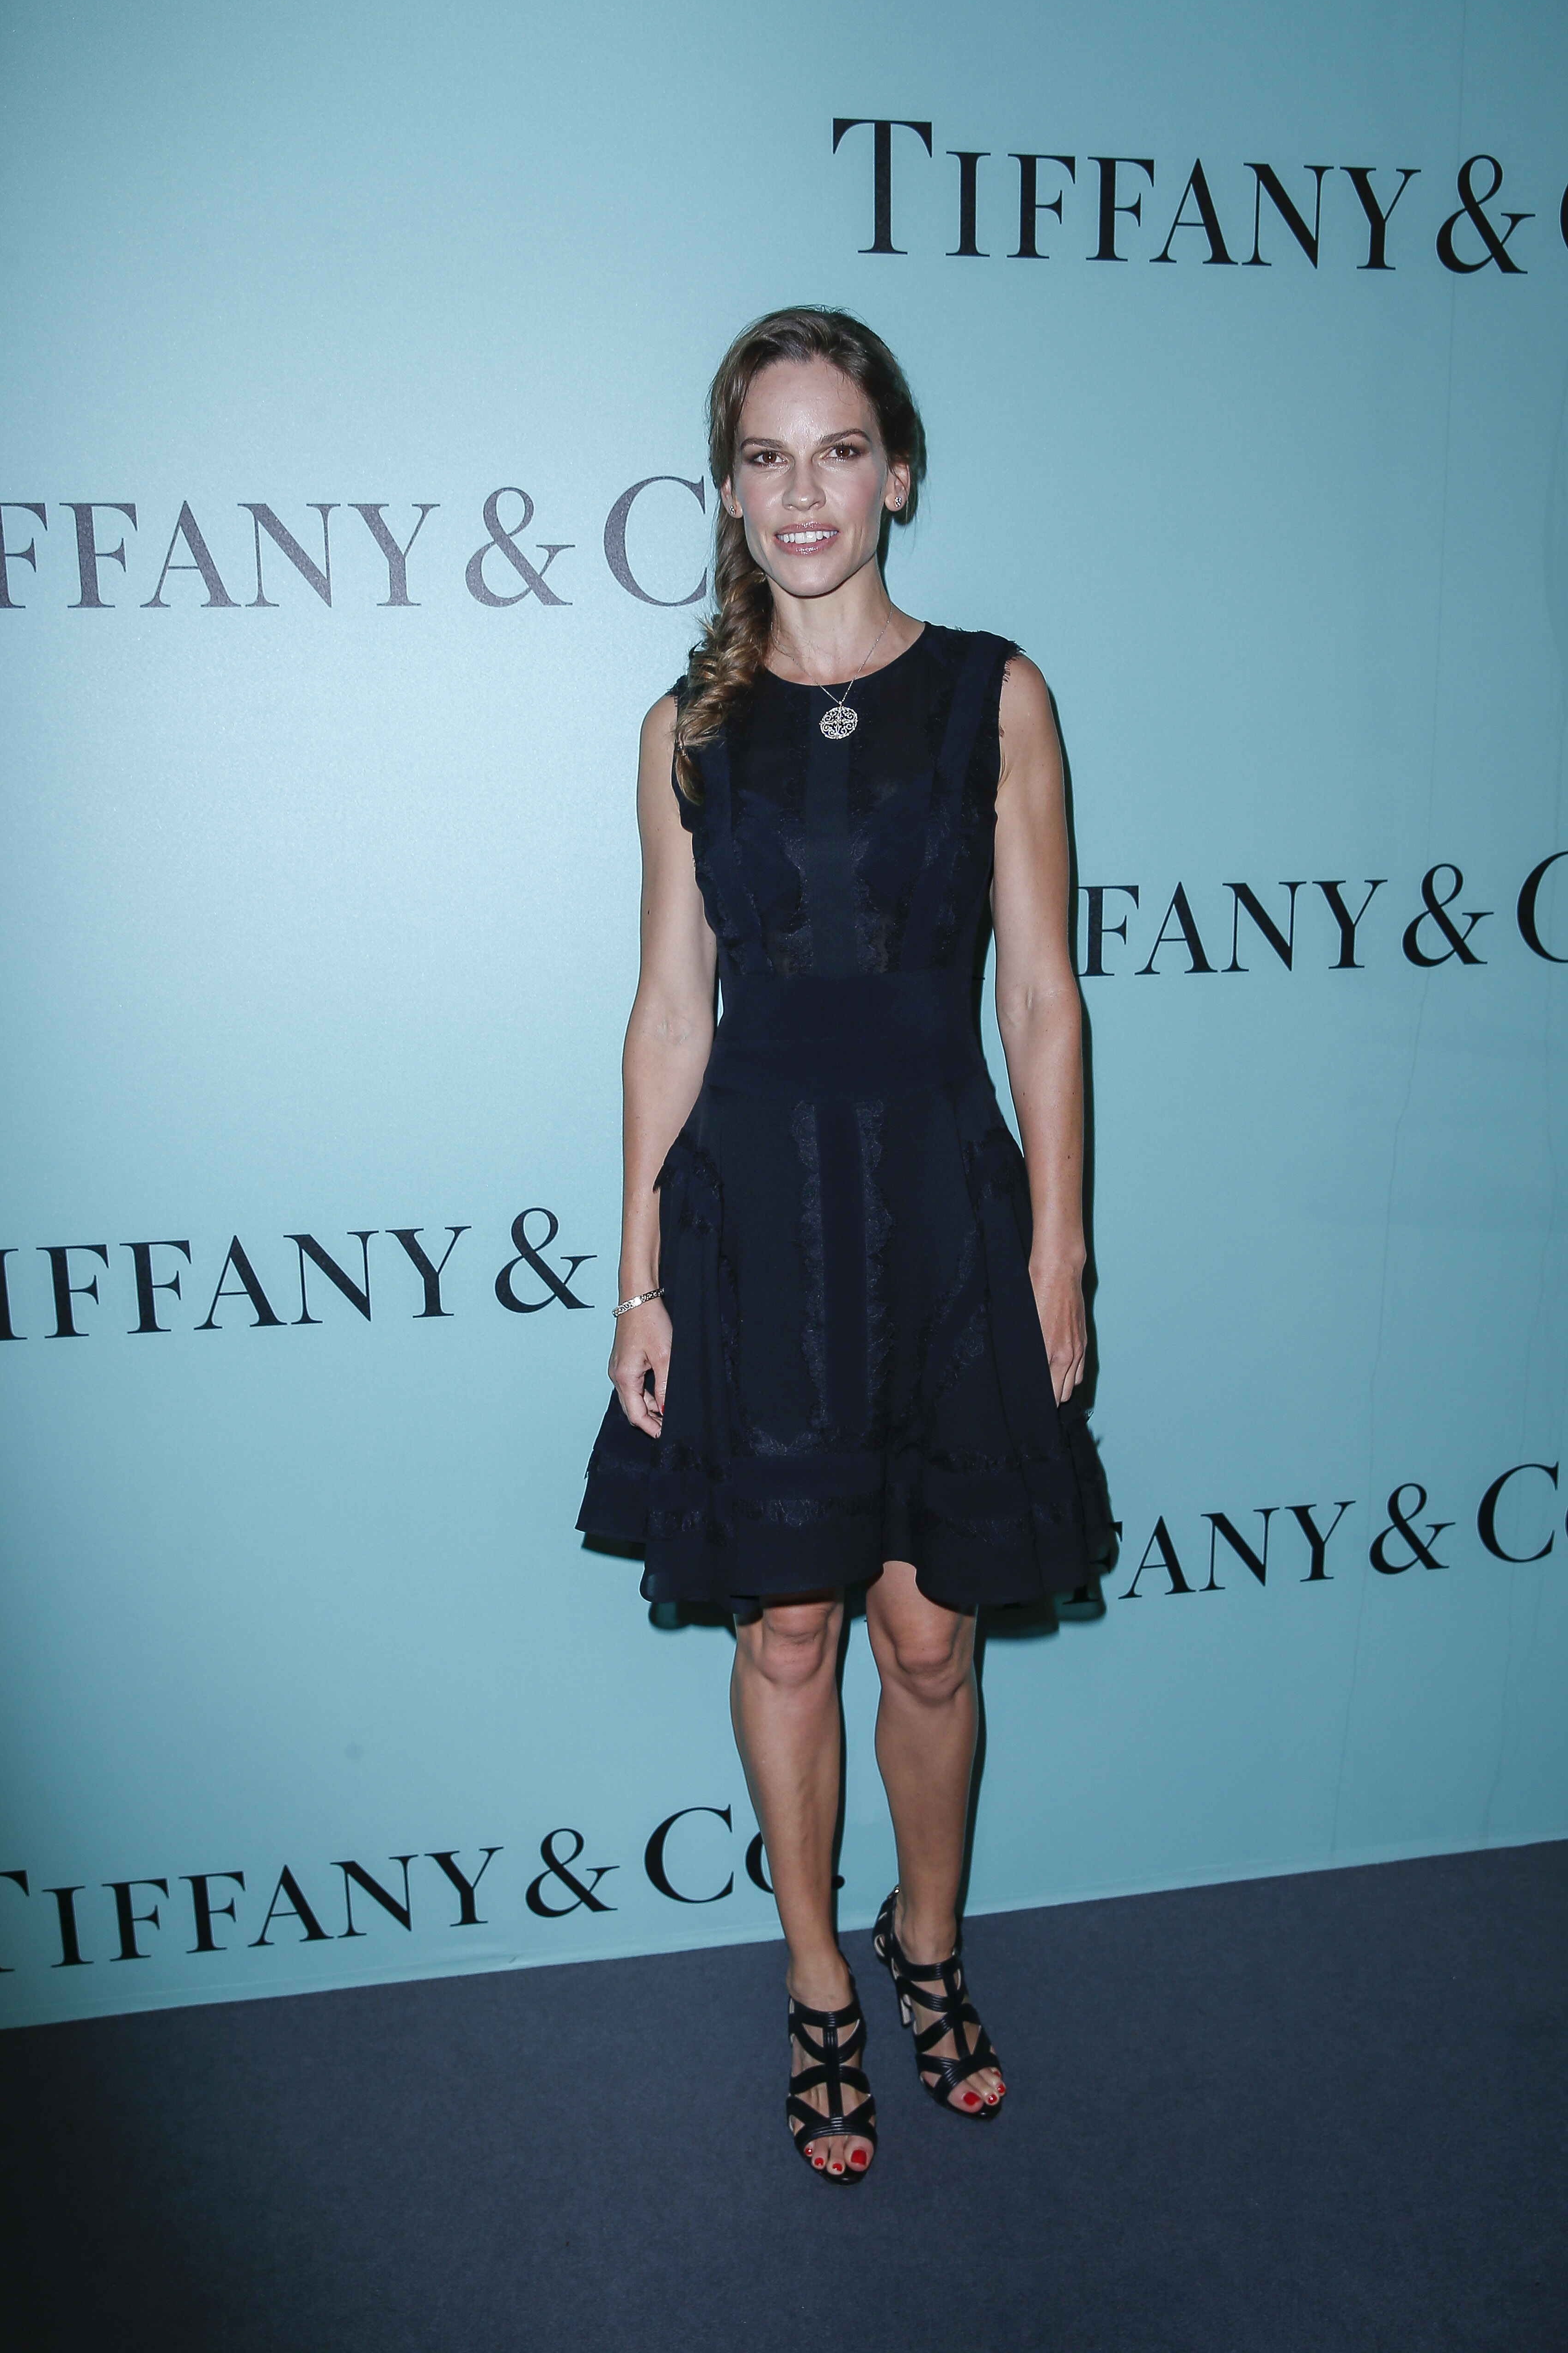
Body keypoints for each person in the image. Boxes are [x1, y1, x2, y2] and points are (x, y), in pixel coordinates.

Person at [578, 307, 1111, 2183]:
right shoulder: (687, 730)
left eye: (839, 449)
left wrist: (1061, 1254)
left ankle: (928, 1945)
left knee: (932, 1636)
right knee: (789, 1625)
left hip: (945, 1216)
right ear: (730, 492)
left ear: (899, 472)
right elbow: (669, 1013)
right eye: (766, 456)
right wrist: (640, 1280)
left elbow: (1041, 997)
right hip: (757, 1225)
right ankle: (818, 1976)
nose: (804, 491)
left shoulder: (994, 696)